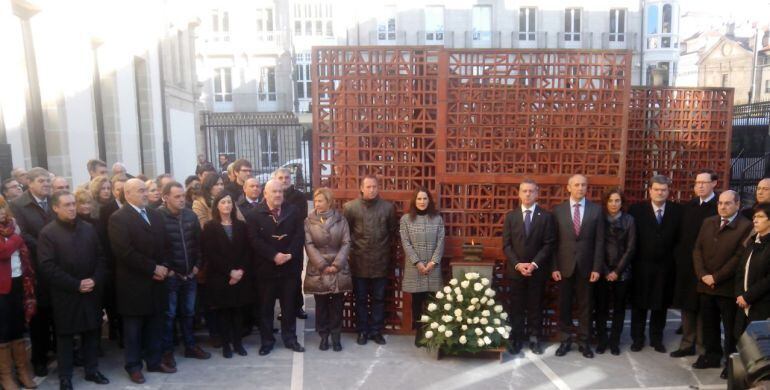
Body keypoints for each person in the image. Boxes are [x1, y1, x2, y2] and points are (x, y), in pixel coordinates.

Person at [37, 191, 109, 389]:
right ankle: (65, 377)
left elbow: (101, 258)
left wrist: (94, 280)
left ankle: (92, 370)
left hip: (91, 291)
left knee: (92, 332)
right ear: (55, 208)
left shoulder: (88, 228)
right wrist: (75, 284)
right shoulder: (48, 233)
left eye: (73, 204)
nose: (71, 208)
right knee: (65, 337)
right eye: (66, 205)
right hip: (65, 294)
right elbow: (47, 266)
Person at [108, 179, 175, 384]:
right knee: (133, 330)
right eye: (140, 190)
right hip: (134, 284)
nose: (145, 194)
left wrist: (164, 267)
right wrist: (152, 268)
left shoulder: (155, 215)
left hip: (157, 282)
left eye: (146, 190)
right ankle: (134, 366)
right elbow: (124, 252)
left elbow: (165, 244)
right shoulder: (118, 218)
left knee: (155, 325)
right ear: (127, 194)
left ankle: (154, 361)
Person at [692, 190, 752, 379]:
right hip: (705, 285)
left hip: (726, 288)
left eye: (727, 203)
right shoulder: (708, 222)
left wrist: (716, 278)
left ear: (738, 204)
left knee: (730, 328)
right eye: (720, 203)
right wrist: (702, 274)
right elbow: (697, 249)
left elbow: (738, 258)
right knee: (709, 324)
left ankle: (730, 361)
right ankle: (712, 356)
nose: (723, 207)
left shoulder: (746, 226)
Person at [247, 179, 305, 355]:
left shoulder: (293, 211)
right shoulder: (255, 214)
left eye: (280, 191)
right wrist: (274, 255)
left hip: (289, 268)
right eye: (274, 192)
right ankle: (267, 341)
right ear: (265, 194)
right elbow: (254, 240)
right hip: (266, 269)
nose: (278, 195)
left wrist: (288, 255)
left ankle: (290, 339)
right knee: (266, 308)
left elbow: (298, 235)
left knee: (288, 307)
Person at [157, 182, 210, 368]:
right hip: (171, 276)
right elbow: (157, 248)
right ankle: (167, 352)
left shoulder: (190, 215)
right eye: (177, 196)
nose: (181, 200)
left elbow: (199, 244)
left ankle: (190, 346)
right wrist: (168, 268)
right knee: (169, 315)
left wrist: (197, 266)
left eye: (182, 196)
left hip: (190, 274)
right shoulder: (158, 217)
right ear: (165, 197)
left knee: (189, 312)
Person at [551, 174, 604, 359]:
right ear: (569, 187)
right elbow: (553, 242)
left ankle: (584, 342)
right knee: (564, 306)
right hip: (564, 267)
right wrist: (554, 267)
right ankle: (565, 341)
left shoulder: (596, 210)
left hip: (587, 268)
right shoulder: (558, 211)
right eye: (577, 185)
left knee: (585, 306)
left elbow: (600, 242)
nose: (580, 188)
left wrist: (597, 268)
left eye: (583, 185)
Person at [628, 175, 682, 353]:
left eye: (664, 190)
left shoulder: (676, 211)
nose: (660, 192)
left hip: (665, 267)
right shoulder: (636, 210)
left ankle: (656, 339)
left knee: (660, 305)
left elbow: (679, 239)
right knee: (639, 305)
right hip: (641, 266)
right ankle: (637, 338)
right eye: (656, 189)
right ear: (650, 190)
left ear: (668, 192)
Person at [9, 167, 54, 377]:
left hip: (56, 265)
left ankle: (63, 351)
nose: (46, 184)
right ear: (30, 183)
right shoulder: (18, 205)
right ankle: (39, 359)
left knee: (58, 313)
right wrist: (48, 247)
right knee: (39, 317)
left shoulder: (53, 201)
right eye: (42, 181)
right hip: (35, 268)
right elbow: (23, 234)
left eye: (48, 181)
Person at [502, 179, 555, 355]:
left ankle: (534, 339)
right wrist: (518, 264)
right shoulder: (511, 216)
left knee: (535, 307)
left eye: (531, 191)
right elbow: (507, 245)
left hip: (537, 271)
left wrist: (533, 264)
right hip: (516, 271)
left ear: (537, 193)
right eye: (524, 191)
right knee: (516, 307)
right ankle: (517, 338)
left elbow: (548, 244)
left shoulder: (545, 216)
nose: (527, 194)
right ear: (519, 193)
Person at [343, 175, 397, 346]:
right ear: (361, 188)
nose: (372, 189)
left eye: (374, 186)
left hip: (380, 261)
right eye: (368, 187)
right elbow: (346, 234)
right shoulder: (350, 208)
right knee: (360, 299)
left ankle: (376, 331)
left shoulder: (388, 208)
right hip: (359, 261)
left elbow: (393, 233)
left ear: (378, 188)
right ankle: (362, 331)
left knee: (379, 299)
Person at [671, 169, 719, 358]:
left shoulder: (719, 206)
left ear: (714, 183)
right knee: (687, 306)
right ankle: (687, 344)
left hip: (708, 268)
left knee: (704, 309)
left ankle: (702, 347)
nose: (699, 186)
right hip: (686, 266)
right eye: (697, 182)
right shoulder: (688, 206)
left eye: (704, 182)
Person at [202, 192, 254, 358]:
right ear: (217, 205)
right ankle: (226, 345)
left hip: (240, 275)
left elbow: (248, 250)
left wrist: (239, 272)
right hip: (220, 277)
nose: (227, 205)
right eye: (223, 202)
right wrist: (229, 271)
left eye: (229, 202)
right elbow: (211, 253)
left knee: (238, 312)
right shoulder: (210, 227)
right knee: (223, 312)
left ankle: (238, 343)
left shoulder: (241, 225)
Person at [305, 188, 351, 351]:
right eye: (315, 201)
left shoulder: (341, 220)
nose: (317, 204)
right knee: (321, 305)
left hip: (338, 268)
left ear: (329, 202)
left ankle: (336, 336)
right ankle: (323, 336)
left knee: (337, 305)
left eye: (320, 201)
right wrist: (323, 265)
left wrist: (336, 264)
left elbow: (346, 243)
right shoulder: (309, 221)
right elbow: (309, 245)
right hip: (318, 269)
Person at [0, 196, 37, 390]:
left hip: (19, 282)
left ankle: (22, 371)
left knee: (18, 327)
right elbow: (4, 252)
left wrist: (15, 235)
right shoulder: (16, 232)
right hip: (1, 286)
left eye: (2, 207)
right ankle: (6, 376)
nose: (1, 212)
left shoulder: (12, 227)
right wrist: (18, 236)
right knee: (3, 331)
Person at [400, 187, 445, 347]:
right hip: (415, 267)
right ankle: (419, 332)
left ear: (429, 201)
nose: (422, 202)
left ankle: (431, 332)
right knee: (417, 301)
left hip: (433, 267)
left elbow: (441, 241)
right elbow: (405, 242)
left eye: (425, 198)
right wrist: (418, 263)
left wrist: (432, 262)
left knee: (433, 302)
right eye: (419, 199)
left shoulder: (437, 219)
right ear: (414, 201)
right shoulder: (406, 219)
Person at [593, 188, 635, 355]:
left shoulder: (629, 220)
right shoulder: (599, 219)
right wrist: (604, 269)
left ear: (622, 203)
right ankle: (602, 340)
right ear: (606, 202)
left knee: (619, 308)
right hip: (602, 271)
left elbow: (631, 248)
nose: (614, 204)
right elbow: (597, 246)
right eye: (610, 201)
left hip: (622, 271)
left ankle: (615, 341)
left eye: (617, 201)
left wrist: (617, 271)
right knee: (601, 308)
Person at [274, 168, 309, 319]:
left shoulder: (299, 197)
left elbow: (301, 218)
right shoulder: (272, 195)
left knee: (295, 275)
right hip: (278, 244)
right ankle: (284, 308)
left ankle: (298, 306)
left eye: (287, 177)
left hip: (294, 241)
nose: (284, 180)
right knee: (281, 278)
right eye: (280, 178)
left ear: (291, 179)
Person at [98, 174, 127, 345]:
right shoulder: (106, 209)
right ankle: (116, 331)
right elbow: (104, 237)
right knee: (114, 300)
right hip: (113, 261)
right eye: (118, 189)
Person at [736, 203, 770, 337]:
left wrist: (748, 296)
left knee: (758, 345)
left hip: (762, 304)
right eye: (755, 216)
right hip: (743, 303)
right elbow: (741, 269)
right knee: (740, 340)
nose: (755, 220)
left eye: (760, 217)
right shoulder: (752, 241)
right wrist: (739, 295)